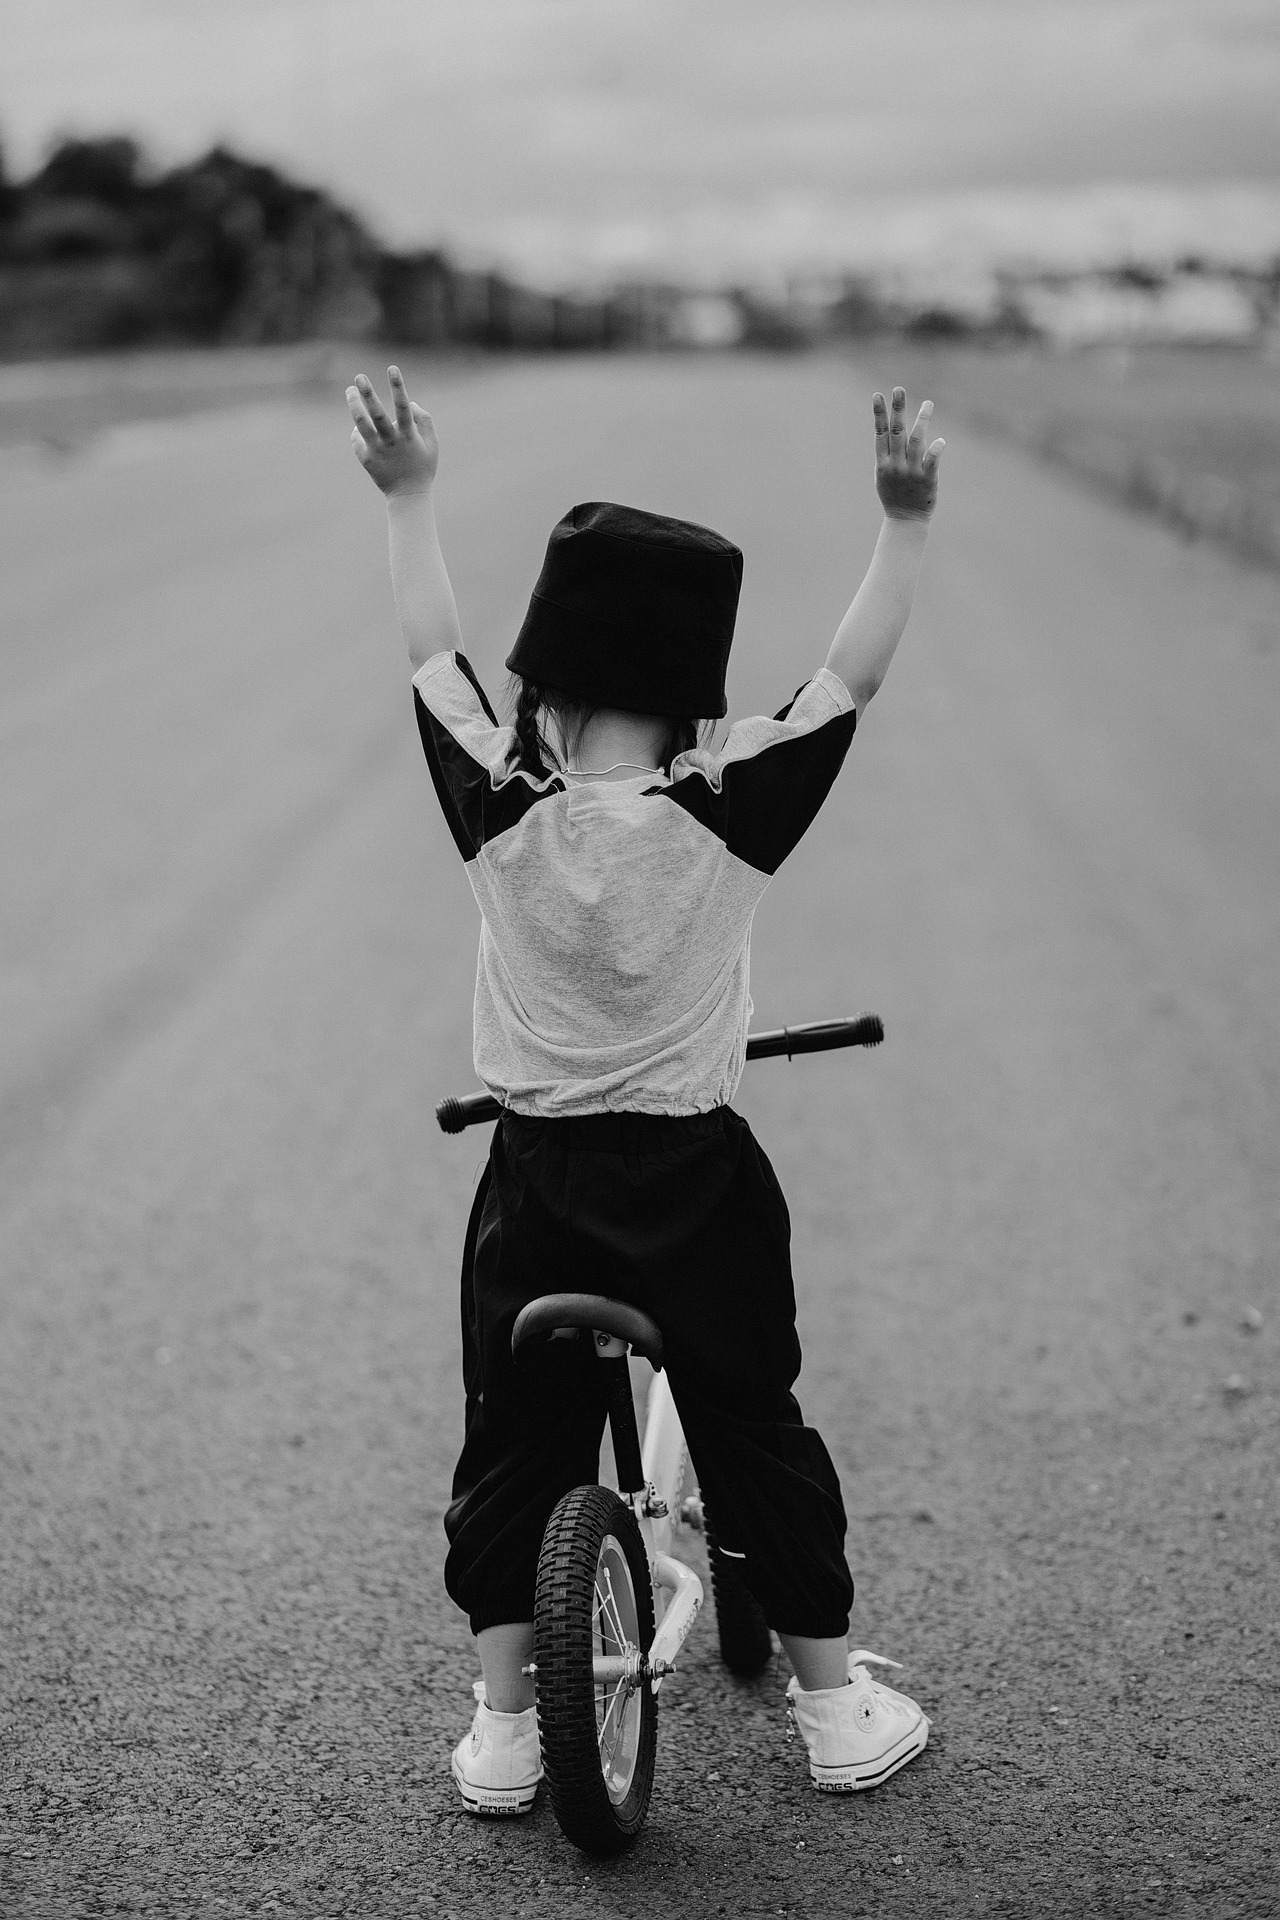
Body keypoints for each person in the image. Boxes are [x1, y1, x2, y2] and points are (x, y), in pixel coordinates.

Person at [346, 365, 945, 1812]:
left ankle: (502, 1729)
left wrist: (411, 494)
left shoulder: (501, 800)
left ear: (541, 689)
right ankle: (831, 1712)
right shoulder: (727, 807)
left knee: (513, 1442)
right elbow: (848, 676)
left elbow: (431, 649)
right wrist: (904, 520)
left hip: (539, 1179)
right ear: (694, 700)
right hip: (692, 1181)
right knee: (751, 1425)